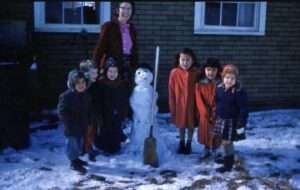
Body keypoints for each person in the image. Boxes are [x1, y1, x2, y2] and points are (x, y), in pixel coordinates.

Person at [213, 64, 248, 173]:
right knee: (223, 141)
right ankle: (226, 157)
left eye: (232, 78)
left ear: (236, 79)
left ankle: (228, 163)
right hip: (221, 119)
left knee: (227, 142)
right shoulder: (219, 89)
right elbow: (217, 102)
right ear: (223, 78)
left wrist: (241, 121)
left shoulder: (238, 92)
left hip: (232, 121)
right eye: (227, 77)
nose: (229, 80)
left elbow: (243, 108)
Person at [93, 1, 138, 84]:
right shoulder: (109, 26)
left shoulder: (132, 29)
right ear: (118, 10)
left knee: (124, 92)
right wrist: (95, 66)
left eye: (129, 9)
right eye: (123, 8)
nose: (126, 11)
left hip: (127, 67)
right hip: (112, 66)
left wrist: (135, 67)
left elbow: (134, 50)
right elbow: (100, 47)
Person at [57, 69, 92, 174]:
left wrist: (89, 119)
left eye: (83, 82)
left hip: (82, 125)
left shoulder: (86, 95)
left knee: (78, 143)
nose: (81, 85)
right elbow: (62, 111)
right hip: (71, 126)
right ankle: (73, 162)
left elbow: (88, 109)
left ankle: (77, 159)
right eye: (78, 83)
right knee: (72, 144)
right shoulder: (66, 96)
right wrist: (69, 122)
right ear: (72, 84)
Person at [94, 57, 130, 154]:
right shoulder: (101, 84)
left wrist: (123, 112)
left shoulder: (121, 84)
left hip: (117, 113)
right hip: (104, 113)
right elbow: (98, 101)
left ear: (118, 73)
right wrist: (99, 115)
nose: (112, 74)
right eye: (110, 71)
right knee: (105, 131)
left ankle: (115, 147)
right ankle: (104, 147)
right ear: (106, 72)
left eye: (115, 72)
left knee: (115, 129)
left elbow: (124, 100)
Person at [168, 48, 200, 155]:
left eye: (188, 60)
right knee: (181, 124)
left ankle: (189, 143)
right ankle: (181, 143)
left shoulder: (196, 72)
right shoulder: (174, 72)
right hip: (179, 103)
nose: (185, 63)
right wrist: (172, 105)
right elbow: (171, 90)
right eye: (183, 60)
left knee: (191, 124)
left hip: (192, 103)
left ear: (193, 60)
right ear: (178, 60)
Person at [195, 58, 222, 160]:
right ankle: (206, 148)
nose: (211, 73)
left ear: (217, 71)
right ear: (204, 70)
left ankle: (215, 148)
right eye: (208, 70)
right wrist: (204, 111)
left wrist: (216, 110)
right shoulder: (199, 84)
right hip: (204, 112)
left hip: (217, 111)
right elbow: (198, 98)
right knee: (205, 131)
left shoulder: (220, 84)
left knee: (216, 131)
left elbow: (221, 99)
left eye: (214, 70)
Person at [79, 60, 103, 161]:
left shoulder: (94, 84)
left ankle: (87, 148)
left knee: (92, 131)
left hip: (93, 113)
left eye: (96, 72)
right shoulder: (83, 86)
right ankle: (87, 150)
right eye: (93, 73)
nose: (96, 74)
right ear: (86, 74)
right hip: (85, 115)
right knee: (87, 132)